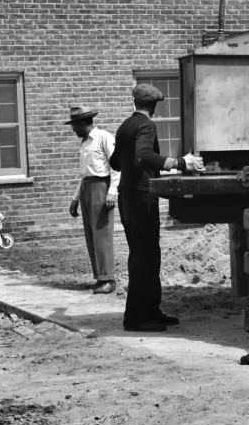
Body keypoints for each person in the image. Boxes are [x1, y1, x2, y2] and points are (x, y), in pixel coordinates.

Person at [110, 83, 205, 333]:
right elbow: (142, 155)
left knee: (146, 256)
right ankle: (136, 319)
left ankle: (150, 311)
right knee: (144, 258)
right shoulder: (145, 125)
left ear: (135, 103)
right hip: (141, 198)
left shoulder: (125, 126)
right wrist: (180, 162)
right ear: (154, 106)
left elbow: (115, 162)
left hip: (127, 197)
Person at [65, 105, 120, 295]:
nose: (73, 129)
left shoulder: (104, 138)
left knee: (102, 235)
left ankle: (108, 279)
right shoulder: (85, 143)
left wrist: (112, 192)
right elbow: (85, 174)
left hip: (101, 188)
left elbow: (116, 167)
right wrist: (75, 199)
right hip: (87, 187)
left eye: (74, 125)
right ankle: (99, 278)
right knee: (91, 236)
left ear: (82, 123)